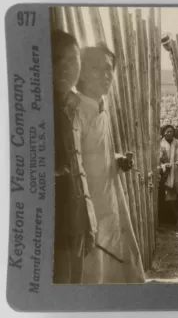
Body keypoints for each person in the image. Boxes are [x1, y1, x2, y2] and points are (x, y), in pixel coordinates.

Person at [70, 45, 145, 283]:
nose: (106, 75)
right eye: (97, 68)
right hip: (88, 203)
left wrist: (117, 159)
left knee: (115, 263)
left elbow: (97, 152)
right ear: (80, 71)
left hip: (109, 197)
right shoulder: (76, 111)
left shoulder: (101, 108)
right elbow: (75, 160)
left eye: (109, 69)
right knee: (94, 267)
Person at [52, 29, 95, 284]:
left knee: (73, 286)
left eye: (73, 59)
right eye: (59, 59)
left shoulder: (74, 106)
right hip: (56, 223)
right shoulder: (42, 109)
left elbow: (79, 166)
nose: (67, 67)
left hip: (77, 217)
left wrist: (88, 220)